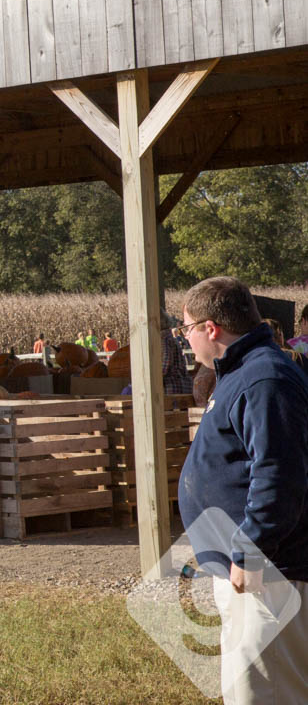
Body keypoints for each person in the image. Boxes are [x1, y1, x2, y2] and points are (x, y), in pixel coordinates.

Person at [177, 276, 308, 704]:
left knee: (268, 694)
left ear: (210, 328)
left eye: (186, 329)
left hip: (271, 573)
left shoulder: (264, 378)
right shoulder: (241, 373)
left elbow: (279, 472)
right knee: (247, 690)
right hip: (250, 572)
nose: (187, 339)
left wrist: (252, 548)